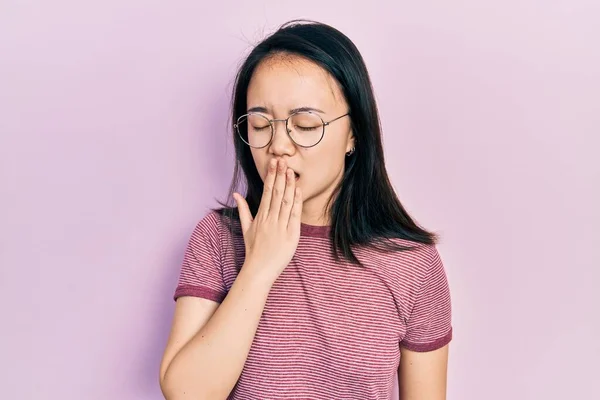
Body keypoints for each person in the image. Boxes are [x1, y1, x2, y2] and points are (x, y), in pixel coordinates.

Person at [159, 19, 452, 400]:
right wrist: (261, 266)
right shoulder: (218, 238)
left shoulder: (413, 263)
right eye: (261, 124)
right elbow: (186, 393)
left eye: (305, 124)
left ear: (354, 133)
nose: (278, 145)